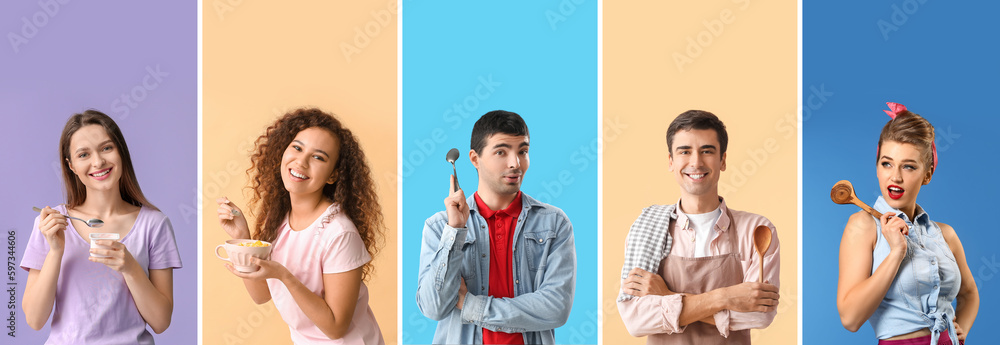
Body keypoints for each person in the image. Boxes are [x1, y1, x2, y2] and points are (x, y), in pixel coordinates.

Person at [217, 108, 385, 344]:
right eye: (297, 148)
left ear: (332, 176)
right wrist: (243, 239)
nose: (301, 161)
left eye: (318, 157)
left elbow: (336, 328)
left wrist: (284, 276)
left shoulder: (339, 233)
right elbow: (261, 295)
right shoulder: (277, 221)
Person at [617, 110, 781, 345]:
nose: (696, 162)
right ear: (671, 162)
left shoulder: (757, 230)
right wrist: (726, 297)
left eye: (707, 151)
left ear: (723, 160)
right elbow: (636, 320)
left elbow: (759, 316)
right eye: (685, 151)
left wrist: (667, 296)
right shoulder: (648, 226)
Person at [21, 110, 182, 344]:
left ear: (121, 153)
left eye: (106, 148)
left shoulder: (154, 224)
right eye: (84, 154)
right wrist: (55, 251)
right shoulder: (50, 225)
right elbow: (35, 320)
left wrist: (130, 267)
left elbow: (161, 322)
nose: (98, 162)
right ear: (71, 166)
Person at [416, 110, 576, 344]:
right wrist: (455, 231)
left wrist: (472, 305)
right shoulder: (440, 227)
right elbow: (433, 308)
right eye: (501, 152)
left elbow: (556, 307)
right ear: (474, 159)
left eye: (523, 151)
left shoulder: (554, 223)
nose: (515, 163)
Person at [837, 102, 979, 345]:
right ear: (877, 166)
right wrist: (897, 252)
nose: (896, 176)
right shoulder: (863, 226)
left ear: (928, 174)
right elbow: (850, 318)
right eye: (887, 163)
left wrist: (959, 331)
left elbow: (969, 294)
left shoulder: (945, 234)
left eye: (909, 166)